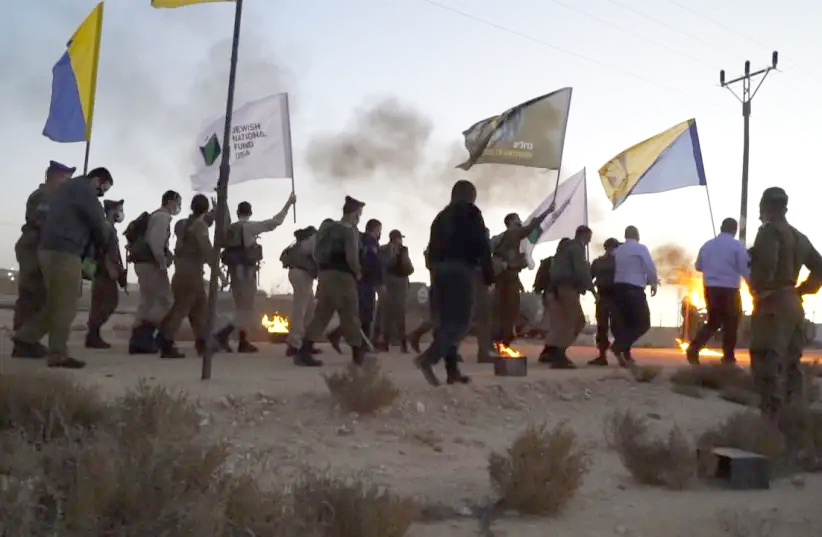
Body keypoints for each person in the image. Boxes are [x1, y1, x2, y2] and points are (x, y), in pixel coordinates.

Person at [13, 168, 114, 368]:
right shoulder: (84, 191)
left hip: (52, 249)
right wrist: (106, 241)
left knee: (56, 303)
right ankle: (57, 354)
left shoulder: (69, 188)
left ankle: (25, 337)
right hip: (65, 251)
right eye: (103, 189)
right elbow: (98, 222)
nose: (102, 194)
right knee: (66, 306)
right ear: (97, 180)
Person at [749, 187, 822, 419]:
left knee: (766, 361)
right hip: (793, 304)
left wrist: (759, 286)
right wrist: (803, 290)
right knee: (792, 364)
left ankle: (771, 419)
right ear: (785, 207)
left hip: (772, 304)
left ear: (765, 208)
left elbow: (768, 262)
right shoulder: (799, 237)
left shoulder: (769, 232)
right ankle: (795, 416)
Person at [415, 180, 493, 386]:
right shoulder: (471, 213)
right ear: (470, 196)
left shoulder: (440, 217)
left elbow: (430, 249)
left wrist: (435, 271)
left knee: (446, 323)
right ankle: (428, 359)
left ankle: (452, 371)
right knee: (460, 323)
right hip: (461, 271)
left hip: (439, 273)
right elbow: (482, 244)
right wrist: (489, 274)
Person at [294, 196, 366, 367]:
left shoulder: (327, 227)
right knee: (350, 314)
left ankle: (304, 351)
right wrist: (358, 272)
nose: (359, 217)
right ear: (354, 213)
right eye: (359, 213)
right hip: (343, 278)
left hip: (325, 276)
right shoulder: (349, 230)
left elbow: (316, 253)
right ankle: (358, 354)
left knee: (322, 314)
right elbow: (352, 257)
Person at [12, 160, 74, 357]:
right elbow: (42, 221)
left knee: (42, 295)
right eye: (65, 177)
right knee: (31, 292)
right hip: (33, 245)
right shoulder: (43, 196)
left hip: (43, 246)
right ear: (54, 176)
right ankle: (22, 343)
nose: (67, 182)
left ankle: (27, 339)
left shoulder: (54, 197)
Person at [222, 192, 296, 353]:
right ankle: (224, 335)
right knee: (246, 308)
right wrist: (289, 203)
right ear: (250, 212)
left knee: (241, 307)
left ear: (237, 213)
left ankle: (241, 340)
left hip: (234, 271)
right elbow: (275, 222)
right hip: (246, 272)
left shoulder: (231, 228)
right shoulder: (249, 227)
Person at [155, 194, 221, 359]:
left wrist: (214, 211)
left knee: (199, 309)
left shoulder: (183, 224)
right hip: (191, 275)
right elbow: (207, 251)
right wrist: (219, 273)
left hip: (182, 273)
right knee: (181, 309)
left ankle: (203, 342)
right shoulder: (199, 227)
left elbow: (202, 222)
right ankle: (166, 340)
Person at [686, 218, 751, 365]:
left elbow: (698, 266)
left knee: (713, 321)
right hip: (730, 289)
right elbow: (745, 269)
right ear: (734, 230)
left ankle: (694, 349)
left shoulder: (707, 245)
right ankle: (728, 357)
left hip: (710, 288)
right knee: (732, 322)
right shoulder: (737, 246)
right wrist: (753, 286)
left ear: (722, 227)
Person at [128, 190, 182, 354]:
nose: (178, 207)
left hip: (142, 262)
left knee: (147, 301)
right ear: (171, 202)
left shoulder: (155, 216)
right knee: (165, 300)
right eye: (178, 203)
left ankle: (137, 340)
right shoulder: (162, 217)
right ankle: (144, 336)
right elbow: (155, 241)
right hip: (151, 263)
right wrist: (162, 263)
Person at [490, 209, 551, 345]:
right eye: (517, 219)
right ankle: (505, 339)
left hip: (502, 278)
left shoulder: (501, 237)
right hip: (508, 279)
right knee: (510, 310)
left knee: (500, 310)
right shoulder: (513, 233)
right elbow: (532, 227)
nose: (520, 221)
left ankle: (498, 341)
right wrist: (547, 212)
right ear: (511, 222)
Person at [542, 226, 593, 369]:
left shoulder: (563, 250)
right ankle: (559, 354)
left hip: (557, 289)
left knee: (563, 323)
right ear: (583, 235)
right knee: (576, 322)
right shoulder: (576, 249)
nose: (589, 241)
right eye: (589, 237)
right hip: (567, 288)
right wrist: (591, 288)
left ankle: (554, 352)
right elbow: (580, 271)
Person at [329, 218, 382, 352]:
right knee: (365, 314)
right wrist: (379, 283)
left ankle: (338, 335)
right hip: (365, 282)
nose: (380, 233)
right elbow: (373, 264)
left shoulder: (360, 240)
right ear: (375, 229)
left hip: (359, 281)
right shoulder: (370, 243)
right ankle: (362, 346)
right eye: (379, 230)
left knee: (358, 314)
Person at [611, 226, 658, 367]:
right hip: (634, 290)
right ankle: (619, 345)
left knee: (626, 324)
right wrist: (653, 283)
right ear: (637, 235)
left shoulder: (617, 251)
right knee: (643, 323)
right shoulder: (640, 249)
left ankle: (626, 354)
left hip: (618, 289)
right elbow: (649, 268)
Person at [86, 199, 127, 349]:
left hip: (104, 269)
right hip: (104, 270)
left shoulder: (108, 227)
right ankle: (93, 333)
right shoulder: (106, 226)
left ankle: (93, 335)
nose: (121, 213)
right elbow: (101, 248)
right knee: (107, 302)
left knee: (102, 302)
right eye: (119, 210)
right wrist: (110, 267)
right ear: (112, 211)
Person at [282, 226, 319, 355]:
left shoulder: (304, 241)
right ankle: (294, 343)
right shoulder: (314, 239)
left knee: (309, 308)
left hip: (300, 274)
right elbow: (317, 256)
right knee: (301, 309)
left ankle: (304, 343)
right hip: (302, 274)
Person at [376, 229, 414, 352]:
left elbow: (409, 268)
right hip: (393, 284)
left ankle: (395, 342)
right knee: (392, 314)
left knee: (393, 314)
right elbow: (384, 265)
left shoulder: (399, 250)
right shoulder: (386, 250)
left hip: (394, 284)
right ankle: (393, 343)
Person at [589, 238, 620, 366]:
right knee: (602, 327)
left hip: (616, 297)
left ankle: (620, 354)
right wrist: (594, 293)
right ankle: (602, 355)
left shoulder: (619, 262)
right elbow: (588, 278)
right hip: (604, 296)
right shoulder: (599, 262)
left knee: (617, 327)